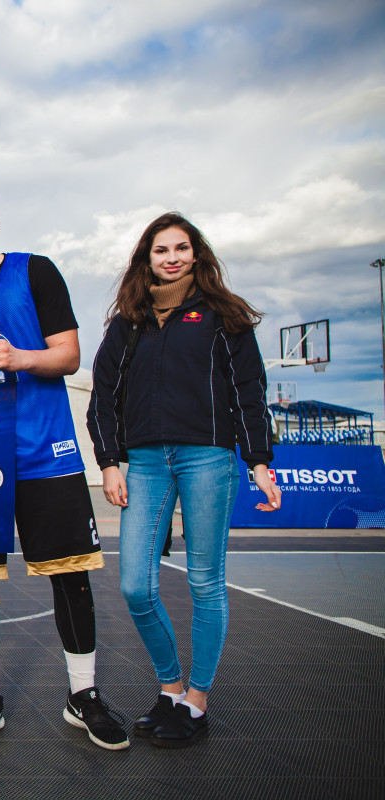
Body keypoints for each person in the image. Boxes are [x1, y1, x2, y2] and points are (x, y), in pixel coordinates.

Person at [0, 186, 128, 752]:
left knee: (70, 573)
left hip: (45, 451)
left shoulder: (35, 272)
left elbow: (68, 355)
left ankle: (82, 695)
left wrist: (18, 357)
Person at [87, 211, 280, 748]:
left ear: (196, 253)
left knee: (203, 583)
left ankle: (196, 701)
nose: (171, 258)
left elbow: (249, 392)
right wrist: (108, 462)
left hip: (207, 459)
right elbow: (103, 394)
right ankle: (170, 688)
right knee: (134, 585)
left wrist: (258, 462)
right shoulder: (129, 320)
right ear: (145, 258)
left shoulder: (223, 315)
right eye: (160, 250)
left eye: (180, 248)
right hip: (146, 462)